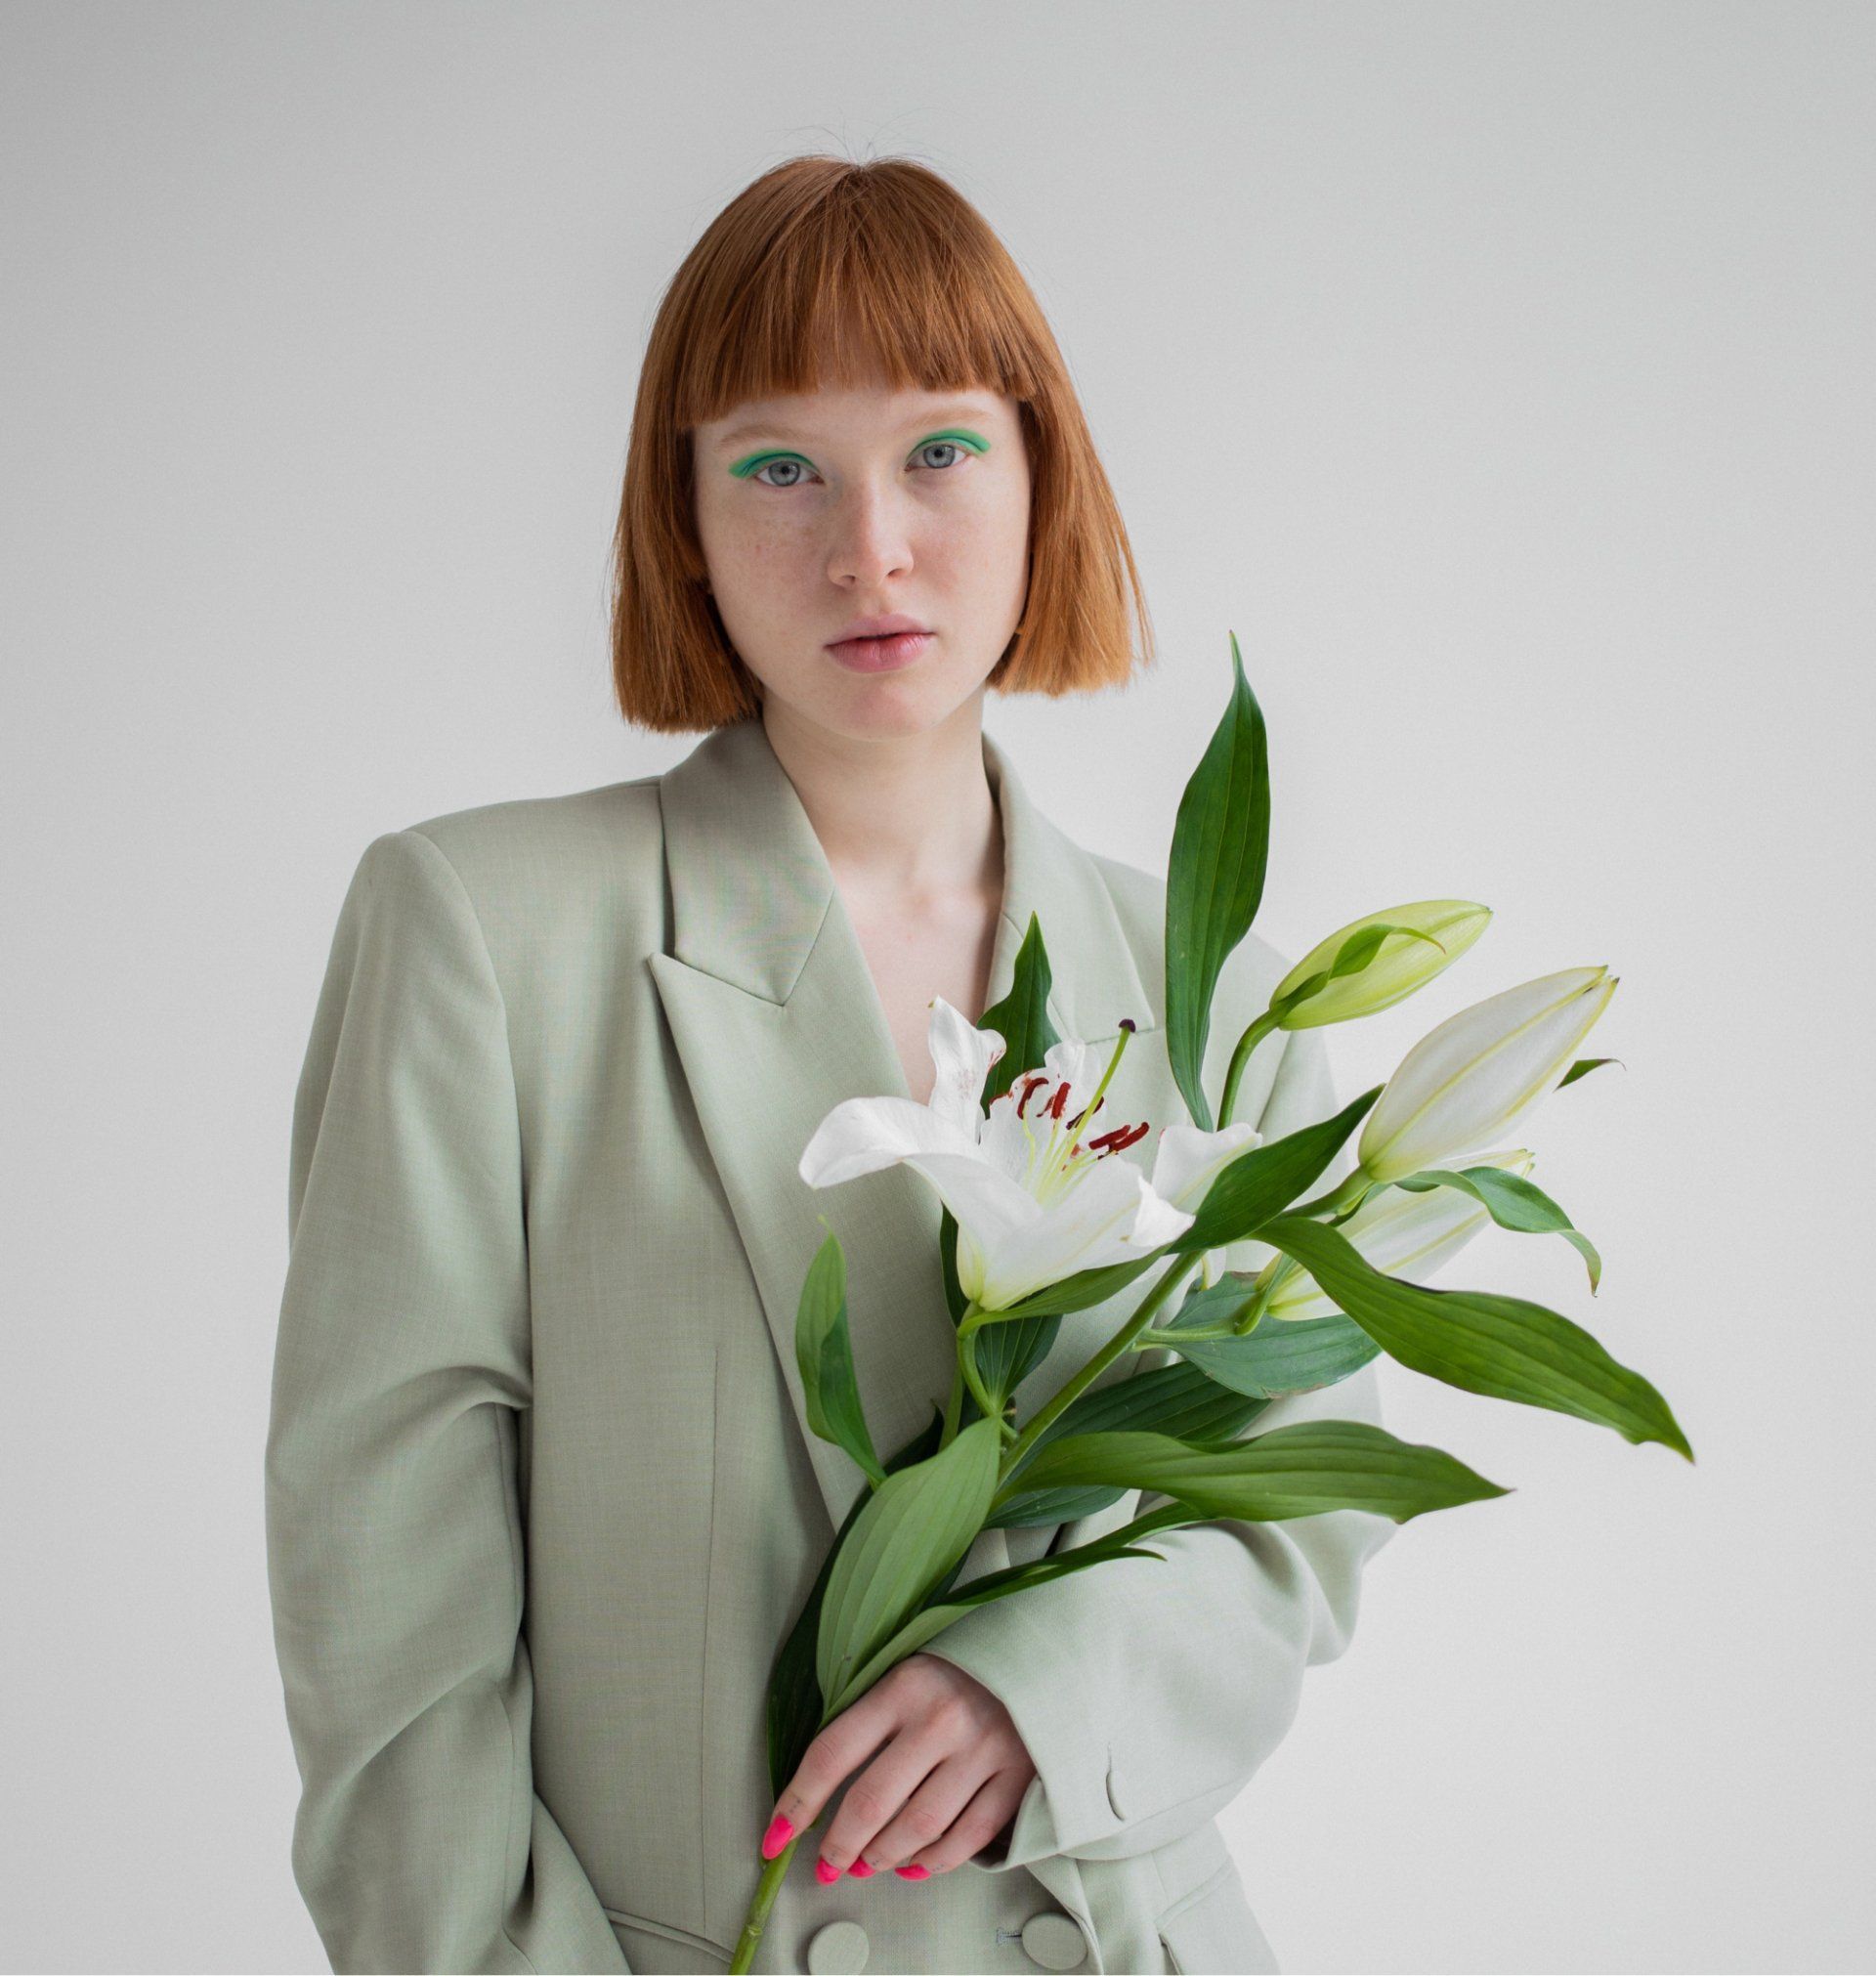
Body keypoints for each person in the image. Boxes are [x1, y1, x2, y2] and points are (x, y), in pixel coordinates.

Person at [265, 153, 1394, 1976]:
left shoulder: (1208, 995)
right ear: (683, 518)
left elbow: (1299, 1518)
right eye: (778, 466)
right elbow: (385, 1624)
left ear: (1043, 477)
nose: (870, 546)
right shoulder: (486, 934)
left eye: (940, 449)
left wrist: (1043, 1690)